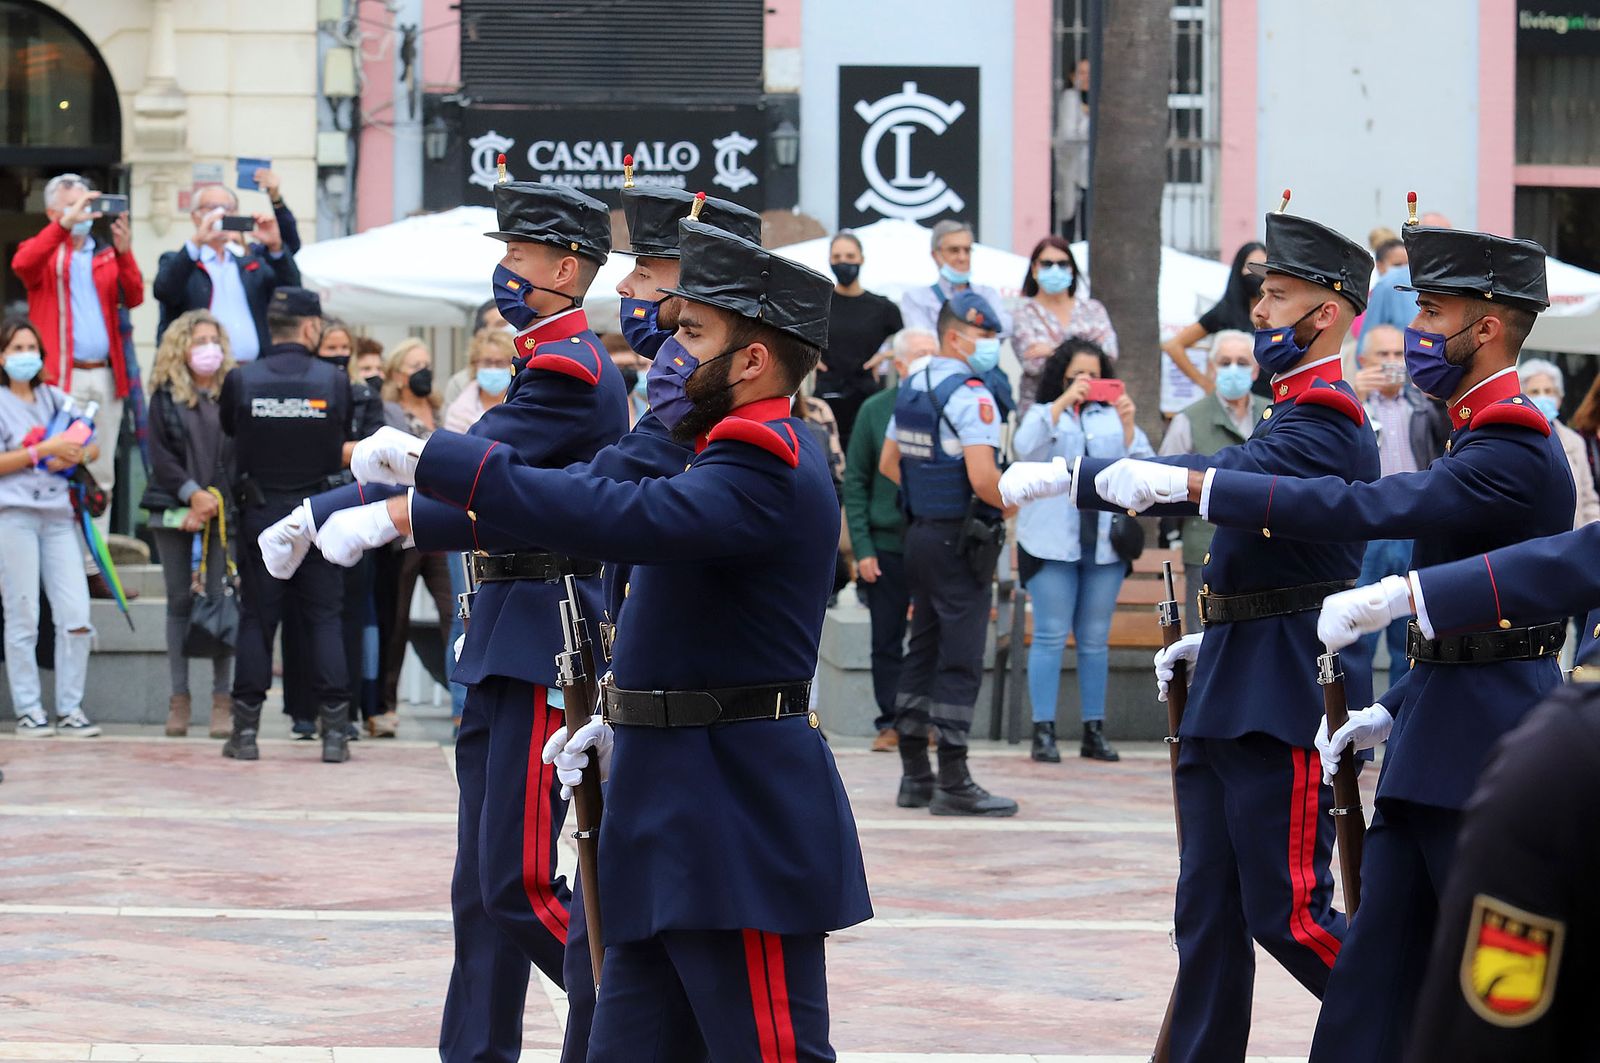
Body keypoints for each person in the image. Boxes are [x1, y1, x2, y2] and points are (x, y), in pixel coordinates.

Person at [338, 215, 871, 1059]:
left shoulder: (766, 460)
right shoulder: (704, 450)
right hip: (663, 798)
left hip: (736, 814)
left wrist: (446, 460)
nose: (666, 345)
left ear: (754, 360)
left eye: (692, 332)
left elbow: (614, 515)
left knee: (765, 1049)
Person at [1108, 219, 1568, 1063]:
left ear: (1488, 327)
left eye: (1432, 313)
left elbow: (1370, 509)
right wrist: (1390, 710)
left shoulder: (1516, 440)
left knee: (1483, 980)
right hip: (1433, 730)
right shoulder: (1472, 428)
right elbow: (1453, 636)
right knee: (1371, 979)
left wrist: (1197, 485)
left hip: (1493, 746)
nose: (1416, 332)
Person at [1001, 204, 1383, 1062]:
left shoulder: (1328, 416)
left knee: (1287, 911)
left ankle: (1417, 1022)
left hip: (1284, 682)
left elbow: (1222, 478)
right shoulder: (1289, 409)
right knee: (1204, 912)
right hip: (1237, 670)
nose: (1259, 311)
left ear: (1326, 312)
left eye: (1277, 296)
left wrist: (1084, 474)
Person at [264, 182, 627, 1063]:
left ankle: (631, 1016)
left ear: (565, 267)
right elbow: (469, 476)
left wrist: (351, 511)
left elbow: (479, 480)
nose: (502, 272)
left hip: (549, 631)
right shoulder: (547, 364)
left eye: (517, 256)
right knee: (479, 888)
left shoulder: (575, 370)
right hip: (503, 623)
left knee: (521, 883)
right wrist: (332, 508)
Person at [878, 289, 1018, 816]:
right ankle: (954, 780)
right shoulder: (971, 394)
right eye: (985, 337)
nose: (992, 347)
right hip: (961, 542)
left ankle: (915, 774)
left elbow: (892, 463)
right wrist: (1013, 503)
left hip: (920, 536)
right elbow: (985, 481)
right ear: (956, 336)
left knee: (923, 650)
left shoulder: (914, 383)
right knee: (960, 658)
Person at [220, 286, 353, 763]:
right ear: (311, 327)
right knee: (323, 618)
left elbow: (232, 437)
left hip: (261, 511)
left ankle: (246, 733)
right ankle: (335, 733)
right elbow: (342, 435)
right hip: (317, 510)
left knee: (257, 619)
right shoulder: (333, 381)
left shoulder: (242, 380)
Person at [1013, 338, 1151, 763]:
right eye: (1078, 375)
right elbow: (1024, 450)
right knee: (1051, 636)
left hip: (1104, 545)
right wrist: (1059, 406)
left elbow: (1144, 468)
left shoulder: (1113, 415)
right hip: (1051, 542)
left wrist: (1128, 428)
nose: (1087, 383)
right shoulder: (1041, 413)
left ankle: (1094, 730)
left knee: (1094, 639)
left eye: (1094, 375)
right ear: (1062, 376)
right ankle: (1043, 731)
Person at [10, 174, 144, 568]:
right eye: (75, 204)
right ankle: (59, 562)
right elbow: (22, 264)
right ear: (54, 212)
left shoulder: (103, 255)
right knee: (58, 470)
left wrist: (124, 251)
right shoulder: (44, 254)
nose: (86, 212)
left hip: (103, 375)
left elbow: (133, 295)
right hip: (59, 379)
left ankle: (92, 567)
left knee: (100, 474)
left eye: (89, 205)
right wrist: (63, 226)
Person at [1339, 323, 1451, 698]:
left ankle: (1401, 723)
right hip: (1366, 534)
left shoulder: (1423, 405)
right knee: (1359, 639)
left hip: (1413, 530)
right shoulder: (1349, 405)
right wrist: (1354, 395)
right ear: (1363, 360)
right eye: (1382, 356)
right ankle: (1354, 729)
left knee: (1411, 637)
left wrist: (1431, 392)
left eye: (1396, 355)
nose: (1391, 363)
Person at [0, 317, 99, 738]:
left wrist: (76, 455)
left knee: (76, 613)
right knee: (23, 614)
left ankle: (71, 708)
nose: (26, 356)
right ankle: (29, 709)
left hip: (60, 518)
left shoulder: (55, 398)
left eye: (31, 348)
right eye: (17, 348)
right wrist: (41, 450)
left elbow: (91, 441)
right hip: (14, 517)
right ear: (3, 356)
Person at [141, 309, 237, 739]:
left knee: (219, 599)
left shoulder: (233, 392)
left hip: (221, 511)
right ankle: (178, 700)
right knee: (179, 601)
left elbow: (235, 453)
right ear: (182, 347)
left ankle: (223, 702)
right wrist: (191, 495)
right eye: (199, 340)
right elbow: (159, 457)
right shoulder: (164, 395)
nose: (208, 348)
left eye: (213, 339)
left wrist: (210, 497)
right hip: (174, 508)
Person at [844, 328, 932, 752]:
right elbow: (857, 482)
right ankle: (890, 721)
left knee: (931, 637)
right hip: (885, 545)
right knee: (886, 639)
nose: (929, 363)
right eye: (919, 356)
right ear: (899, 365)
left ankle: (924, 719)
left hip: (934, 543)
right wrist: (862, 548)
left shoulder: (952, 406)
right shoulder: (875, 411)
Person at [1156, 329, 1268, 631]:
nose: (1234, 369)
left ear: (1256, 368)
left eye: (1242, 362)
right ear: (1211, 367)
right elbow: (1165, 482)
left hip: (1268, 548)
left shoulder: (1274, 414)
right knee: (1204, 642)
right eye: (1225, 361)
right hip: (1206, 549)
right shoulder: (1188, 419)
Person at [153, 183, 300, 362]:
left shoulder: (251, 264)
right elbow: (165, 291)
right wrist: (198, 241)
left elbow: (292, 295)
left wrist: (276, 247)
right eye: (213, 208)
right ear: (195, 217)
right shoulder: (179, 261)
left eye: (229, 209)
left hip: (250, 370)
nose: (222, 214)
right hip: (199, 373)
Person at [1011, 236, 1118, 416]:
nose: (1055, 269)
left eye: (1062, 264)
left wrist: (1052, 350)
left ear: (1072, 269)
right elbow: (1033, 364)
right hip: (1041, 413)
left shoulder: (1093, 309)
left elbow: (1108, 354)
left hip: (1090, 412)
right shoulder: (1023, 313)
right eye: (1047, 264)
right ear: (1034, 269)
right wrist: (1085, 350)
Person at [818, 230, 902, 446]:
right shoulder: (818, 304)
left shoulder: (883, 308)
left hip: (867, 397)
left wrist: (885, 356)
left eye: (850, 256)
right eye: (837, 257)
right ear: (829, 260)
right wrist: (809, 358)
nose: (843, 262)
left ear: (861, 259)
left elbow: (908, 341)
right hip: (827, 397)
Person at [1161, 240, 1267, 393]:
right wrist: (1204, 383)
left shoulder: (1277, 312)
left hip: (1269, 399)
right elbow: (1173, 346)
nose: (1255, 273)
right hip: (1231, 398)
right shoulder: (1224, 311)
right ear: (1239, 269)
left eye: (1261, 266)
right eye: (1250, 266)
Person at [1519, 357, 1600, 528]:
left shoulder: (1574, 441)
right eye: (1535, 391)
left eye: (1549, 391)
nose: (1543, 397)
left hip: (1572, 543)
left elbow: (1588, 499)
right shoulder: (1514, 438)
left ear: (1560, 398)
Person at [897, 220, 1013, 337]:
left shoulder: (987, 293)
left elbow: (1006, 327)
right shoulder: (916, 298)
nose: (962, 258)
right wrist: (980, 331)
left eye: (967, 250)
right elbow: (924, 340)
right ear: (935, 255)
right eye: (954, 250)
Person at [1363, 210, 1451, 335]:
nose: (1439, 246)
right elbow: (1368, 341)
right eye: (1430, 237)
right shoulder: (1390, 283)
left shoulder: (1462, 283)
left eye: (1447, 238)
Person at [443, 328, 516, 434]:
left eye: (500, 363)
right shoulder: (458, 411)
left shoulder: (522, 401)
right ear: (475, 364)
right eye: (487, 362)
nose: (493, 368)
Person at [1054, 57, 1092, 241]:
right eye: (1081, 73)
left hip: (1092, 173)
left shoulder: (1099, 97)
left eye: (1089, 73)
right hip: (1075, 172)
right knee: (1076, 222)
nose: (1086, 78)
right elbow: (1069, 135)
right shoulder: (1071, 97)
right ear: (1072, 76)